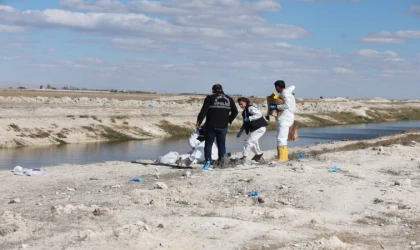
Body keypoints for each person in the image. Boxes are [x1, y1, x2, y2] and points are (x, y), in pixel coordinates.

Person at [196, 84, 238, 170]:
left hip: (210, 126)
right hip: (223, 126)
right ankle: (222, 162)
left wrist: (199, 122)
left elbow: (203, 111)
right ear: (222, 89)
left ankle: (207, 161)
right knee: (221, 145)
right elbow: (235, 112)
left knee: (208, 144)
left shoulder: (210, 98)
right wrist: (228, 120)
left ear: (213, 90)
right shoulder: (229, 99)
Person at [269, 80, 296, 162]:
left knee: (281, 138)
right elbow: (293, 86)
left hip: (285, 117)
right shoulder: (286, 93)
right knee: (280, 137)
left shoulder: (285, 93)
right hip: (285, 117)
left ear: (277, 87)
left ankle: (283, 158)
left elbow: (287, 105)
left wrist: (277, 107)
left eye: (276, 88)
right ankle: (281, 157)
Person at [236, 97, 268, 164]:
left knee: (248, 142)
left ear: (245, 102)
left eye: (241, 104)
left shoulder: (250, 108)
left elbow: (259, 114)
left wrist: (250, 118)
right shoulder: (244, 111)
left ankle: (244, 157)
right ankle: (259, 156)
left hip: (259, 127)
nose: (240, 105)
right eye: (239, 104)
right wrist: (241, 131)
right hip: (253, 129)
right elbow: (245, 122)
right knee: (253, 143)